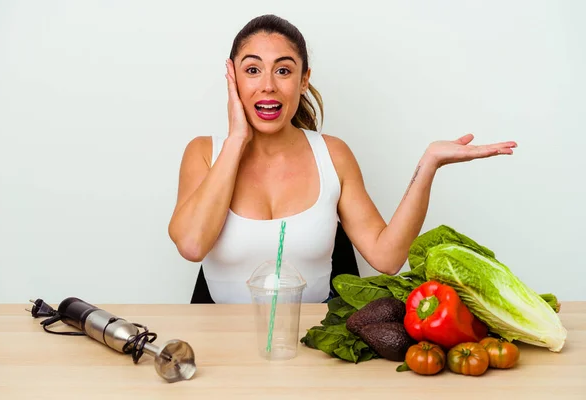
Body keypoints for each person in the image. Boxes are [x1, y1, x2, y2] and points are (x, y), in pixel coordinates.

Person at [168, 14, 517, 304]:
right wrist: (237, 139)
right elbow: (192, 244)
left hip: (312, 349)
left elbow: (387, 256)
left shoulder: (333, 155)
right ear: (233, 78)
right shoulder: (203, 152)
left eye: (284, 71)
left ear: (304, 80)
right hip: (218, 346)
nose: (268, 86)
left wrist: (428, 165)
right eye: (252, 70)